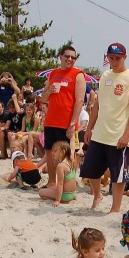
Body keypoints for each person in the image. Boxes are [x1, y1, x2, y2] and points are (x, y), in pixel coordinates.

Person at [82, 43, 129, 212]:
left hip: (118, 134)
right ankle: (97, 195)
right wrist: (89, 128)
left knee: (118, 175)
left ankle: (115, 209)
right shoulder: (105, 76)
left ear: (125, 57)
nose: (114, 61)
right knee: (89, 169)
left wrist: (127, 134)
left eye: (118, 58)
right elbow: (97, 104)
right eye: (111, 58)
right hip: (100, 132)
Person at [42, 47, 86, 189]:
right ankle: (51, 182)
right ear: (60, 56)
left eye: (73, 57)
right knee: (50, 152)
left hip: (67, 122)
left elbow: (80, 101)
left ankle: (69, 184)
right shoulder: (53, 73)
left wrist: (72, 123)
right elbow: (43, 98)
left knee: (68, 155)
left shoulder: (78, 74)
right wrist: (49, 91)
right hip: (51, 120)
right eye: (67, 56)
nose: (70, 59)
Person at [39, 141, 77, 206]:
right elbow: (72, 148)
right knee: (52, 188)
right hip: (72, 194)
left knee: (41, 192)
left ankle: (62, 200)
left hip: (65, 196)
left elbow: (60, 184)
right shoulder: (71, 161)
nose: (52, 153)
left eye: (55, 151)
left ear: (63, 152)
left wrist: (57, 200)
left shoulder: (61, 166)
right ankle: (68, 199)